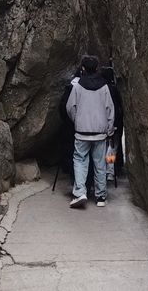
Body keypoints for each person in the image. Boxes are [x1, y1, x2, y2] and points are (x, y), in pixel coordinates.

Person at [66, 54, 114, 208]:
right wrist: (109, 128)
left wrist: (77, 120)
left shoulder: (78, 86)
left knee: (80, 160)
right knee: (100, 164)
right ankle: (101, 197)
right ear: (97, 68)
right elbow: (110, 109)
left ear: (83, 68)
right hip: (100, 132)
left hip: (82, 131)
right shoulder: (104, 86)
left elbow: (70, 107)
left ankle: (80, 192)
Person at [100, 66, 124, 178]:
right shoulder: (114, 89)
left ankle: (103, 171)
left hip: (102, 123)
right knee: (112, 148)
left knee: (102, 148)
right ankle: (110, 172)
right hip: (115, 123)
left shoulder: (102, 89)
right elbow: (119, 107)